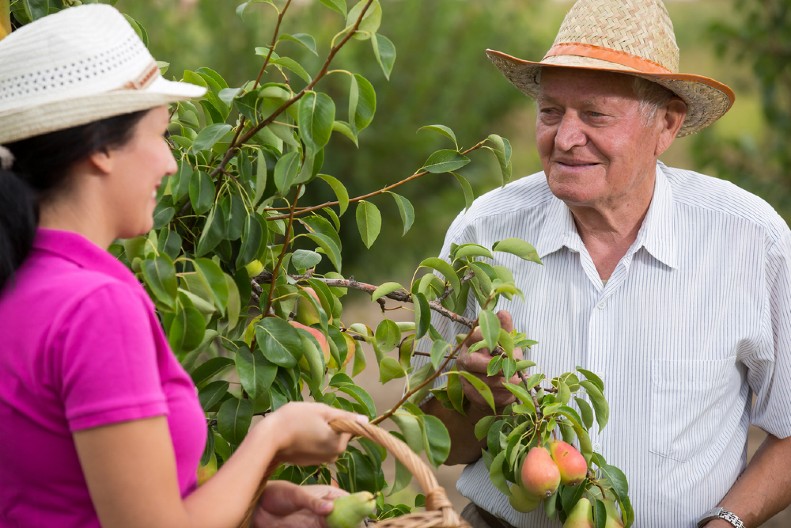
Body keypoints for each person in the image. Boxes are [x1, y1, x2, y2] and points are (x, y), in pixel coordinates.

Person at [417, 0, 791, 527]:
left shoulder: (749, 240)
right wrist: (480, 399)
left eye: (594, 114)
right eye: (551, 112)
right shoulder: (483, 234)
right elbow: (437, 441)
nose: (565, 138)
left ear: (666, 125)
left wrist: (726, 522)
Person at [0, 5, 366, 528]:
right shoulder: (96, 307)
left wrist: (245, 508)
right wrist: (272, 436)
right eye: (161, 135)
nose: (172, 162)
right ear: (101, 147)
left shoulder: (20, 279)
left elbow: (62, 497)